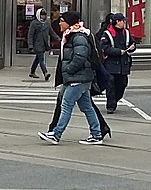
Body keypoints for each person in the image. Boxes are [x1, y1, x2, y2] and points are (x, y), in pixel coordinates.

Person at [37, 11, 104, 145]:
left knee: (66, 105)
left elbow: (80, 56)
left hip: (78, 78)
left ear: (69, 22)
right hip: (79, 78)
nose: (59, 23)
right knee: (87, 107)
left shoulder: (78, 36)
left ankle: (56, 134)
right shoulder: (72, 34)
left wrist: (69, 69)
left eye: (62, 20)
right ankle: (96, 134)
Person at [97, 12, 134, 112]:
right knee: (111, 85)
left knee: (122, 84)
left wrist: (132, 48)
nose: (124, 23)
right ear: (117, 22)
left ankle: (115, 99)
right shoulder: (107, 33)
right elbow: (104, 47)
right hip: (111, 64)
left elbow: (131, 43)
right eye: (123, 21)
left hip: (123, 65)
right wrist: (118, 51)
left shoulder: (126, 32)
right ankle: (111, 106)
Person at [27, 8, 54, 80]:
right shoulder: (34, 23)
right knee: (41, 59)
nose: (43, 17)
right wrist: (30, 45)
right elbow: (31, 35)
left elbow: (52, 33)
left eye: (44, 15)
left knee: (38, 59)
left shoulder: (47, 24)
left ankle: (32, 72)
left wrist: (59, 39)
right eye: (42, 15)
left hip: (44, 44)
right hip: (37, 44)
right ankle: (45, 73)